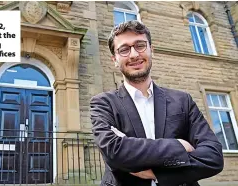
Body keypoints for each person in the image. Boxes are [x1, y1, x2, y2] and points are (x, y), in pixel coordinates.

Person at [90, 20, 223, 186]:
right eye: (124, 49)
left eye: (140, 45)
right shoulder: (103, 103)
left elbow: (213, 156)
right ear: (115, 60)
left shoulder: (182, 101)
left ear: (152, 50)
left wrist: (159, 175)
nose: (133, 55)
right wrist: (179, 146)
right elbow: (114, 151)